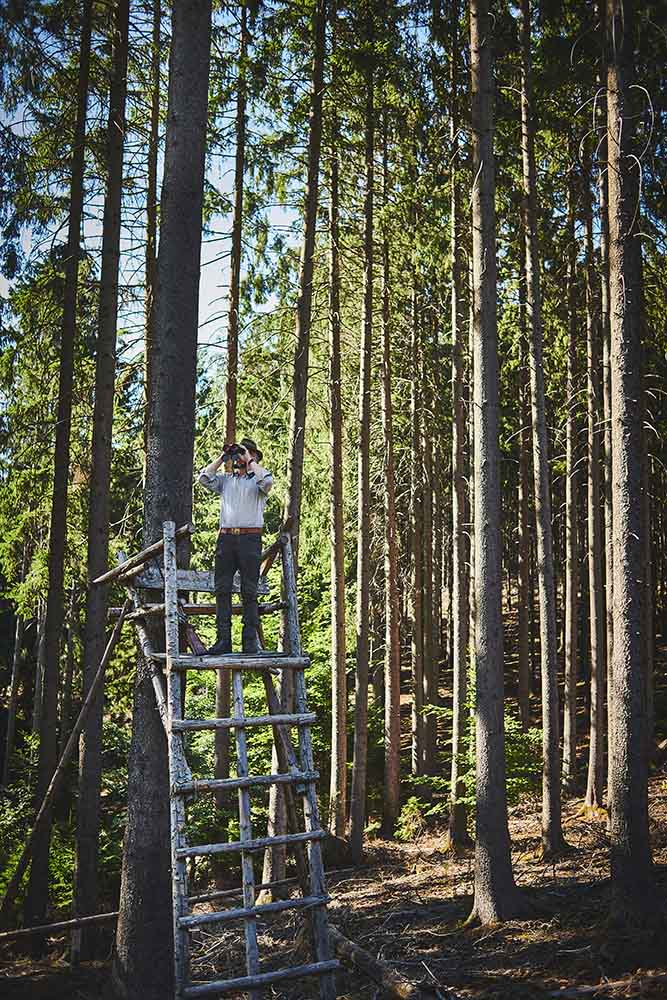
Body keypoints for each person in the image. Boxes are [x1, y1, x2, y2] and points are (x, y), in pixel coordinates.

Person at [198, 437, 273, 654]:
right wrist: (224, 457)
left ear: (254, 457)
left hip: (250, 539)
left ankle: (249, 641)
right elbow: (204, 478)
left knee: (249, 590)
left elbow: (268, 482)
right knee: (222, 589)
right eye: (239, 454)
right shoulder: (226, 481)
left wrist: (250, 460)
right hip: (226, 539)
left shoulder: (257, 481)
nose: (240, 458)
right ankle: (224, 640)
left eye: (245, 454)